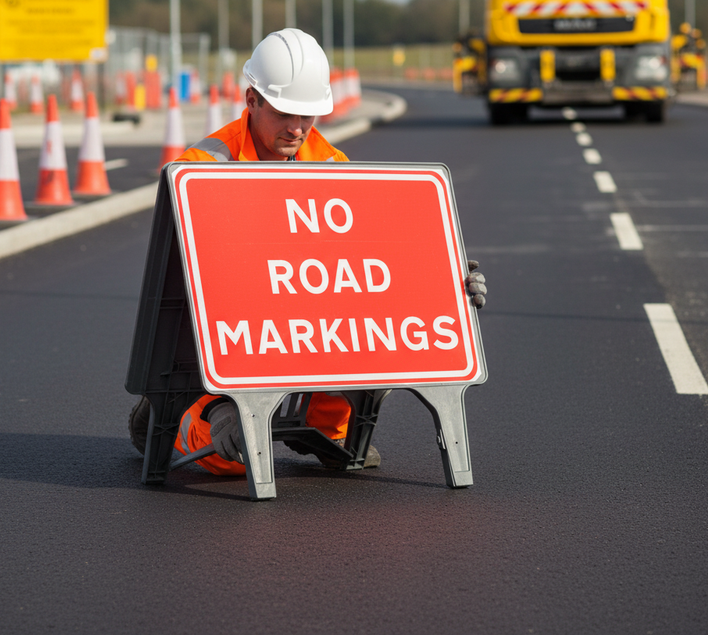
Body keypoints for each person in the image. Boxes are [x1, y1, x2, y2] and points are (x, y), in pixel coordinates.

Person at [129, 28, 487, 475]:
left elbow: (371, 260)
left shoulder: (332, 165)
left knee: (369, 338)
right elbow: (191, 284)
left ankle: (327, 432)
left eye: (308, 116)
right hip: (225, 328)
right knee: (233, 458)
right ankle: (173, 417)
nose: (297, 128)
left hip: (296, 317)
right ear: (251, 100)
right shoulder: (202, 169)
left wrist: (444, 283)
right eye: (284, 114)